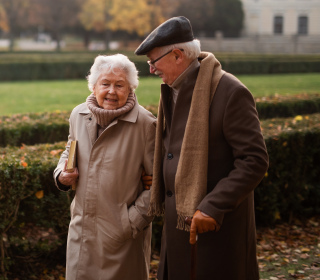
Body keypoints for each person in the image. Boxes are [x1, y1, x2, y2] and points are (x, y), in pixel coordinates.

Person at [134, 16, 269, 280]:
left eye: (153, 61)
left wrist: (213, 206)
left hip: (216, 228)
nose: (151, 69)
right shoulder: (174, 88)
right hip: (178, 227)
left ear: (177, 56)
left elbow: (254, 160)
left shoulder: (230, 92)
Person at [53, 54, 156, 280]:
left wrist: (131, 222)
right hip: (82, 231)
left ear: (130, 88)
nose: (111, 91)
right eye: (105, 84)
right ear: (94, 86)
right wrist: (61, 174)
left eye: (119, 85)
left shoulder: (146, 124)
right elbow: (68, 152)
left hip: (122, 237)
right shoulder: (78, 115)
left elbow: (157, 184)